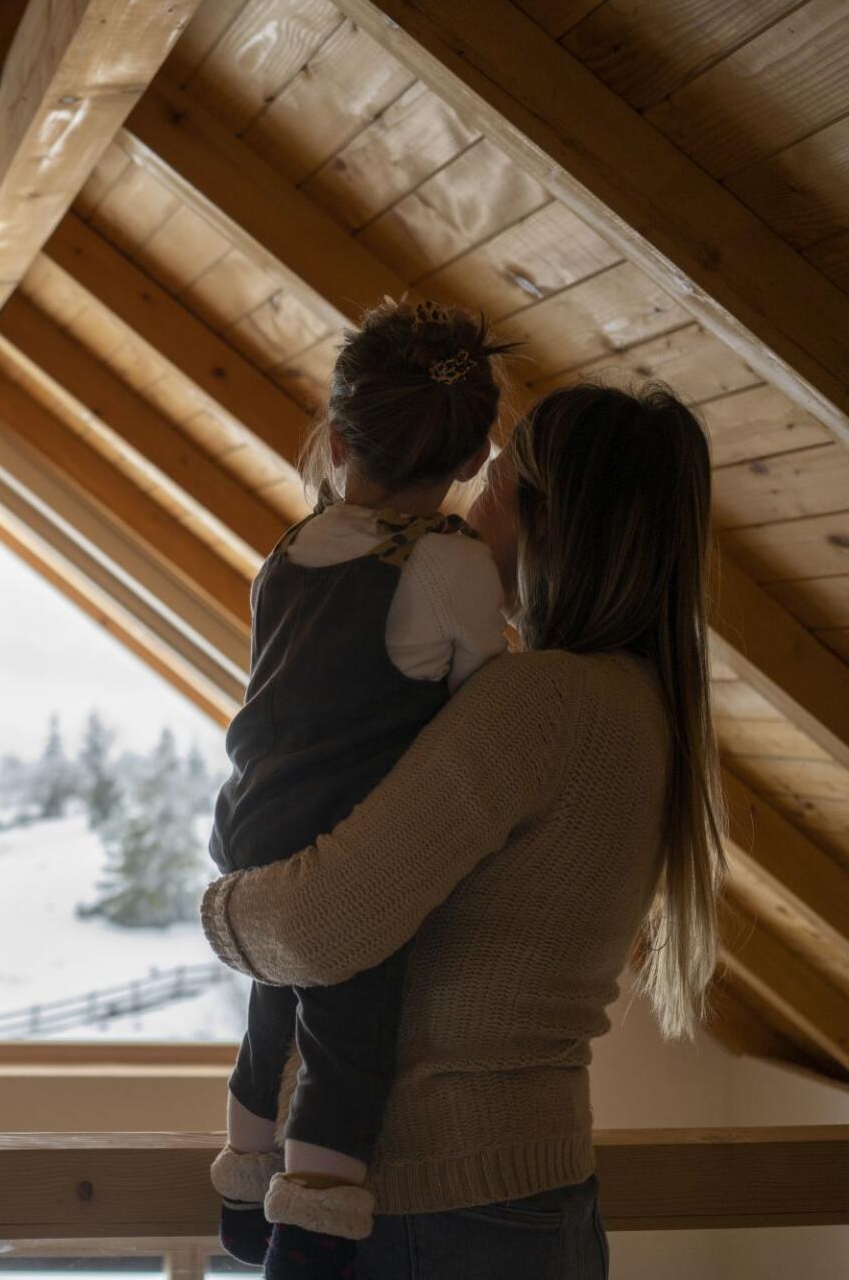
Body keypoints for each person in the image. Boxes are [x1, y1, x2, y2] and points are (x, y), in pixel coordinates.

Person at [202, 381, 724, 1279]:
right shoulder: (639, 703)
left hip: (434, 1214)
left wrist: (223, 905)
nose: (469, 501)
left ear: (553, 523)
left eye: (497, 484)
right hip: (533, 1200)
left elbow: (319, 927)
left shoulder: (538, 702)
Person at [206, 300, 515, 1278]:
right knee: (349, 1032)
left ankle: (242, 1186)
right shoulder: (451, 563)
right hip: (345, 842)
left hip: (252, 826)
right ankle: (310, 1230)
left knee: (270, 1009)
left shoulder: (288, 554)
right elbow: (485, 706)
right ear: (472, 462)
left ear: (337, 441)